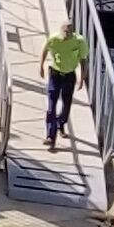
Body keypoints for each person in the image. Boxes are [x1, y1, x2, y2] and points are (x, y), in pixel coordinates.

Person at [42, 21, 87, 149]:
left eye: (68, 33)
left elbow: (84, 60)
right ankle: (50, 136)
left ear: (72, 33)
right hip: (55, 74)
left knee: (66, 103)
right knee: (52, 105)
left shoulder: (79, 42)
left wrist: (82, 78)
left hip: (69, 75)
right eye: (64, 33)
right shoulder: (54, 39)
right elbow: (45, 50)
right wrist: (41, 66)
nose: (66, 36)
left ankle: (61, 122)